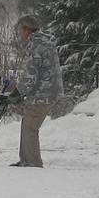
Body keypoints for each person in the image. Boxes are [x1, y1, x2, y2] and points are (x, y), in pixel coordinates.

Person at [7, 14, 62, 167]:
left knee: (30, 127)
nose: (20, 33)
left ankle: (33, 163)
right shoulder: (44, 42)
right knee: (27, 123)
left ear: (26, 30)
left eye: (20, 30)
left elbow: (31, 74)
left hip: (43, 93)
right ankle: (25, 160)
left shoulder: (35, 45)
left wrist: (18, 92)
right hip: (48, 91)